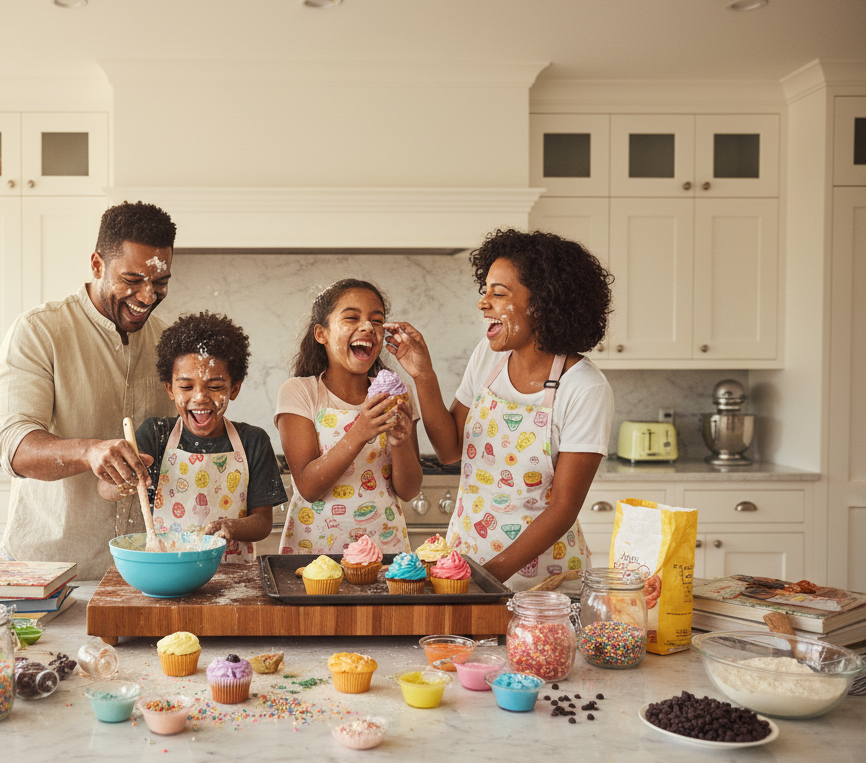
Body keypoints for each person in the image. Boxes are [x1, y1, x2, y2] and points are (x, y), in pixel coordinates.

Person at [383, 228, 614, 590]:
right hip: (465, 563)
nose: (483, 302)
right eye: (485, 290)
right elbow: (449, 450)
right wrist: (423, 374)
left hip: (543, 584)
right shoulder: (488, 358)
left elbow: (563, 509)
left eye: (499, 293)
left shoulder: (584, 387)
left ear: (541, 304)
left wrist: (489, 576)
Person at [0, 201, 178, 579]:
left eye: (159, 283)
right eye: (131, 280)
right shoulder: (39, 331)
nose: (146, 297)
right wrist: (88, 451)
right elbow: (15, 447)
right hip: (49, 570)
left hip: (144, 567)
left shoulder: (167, 341)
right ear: (97, 265)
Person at [98, 312, 288, 562]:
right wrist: (123, 481)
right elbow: (106, 489)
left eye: (215, 386)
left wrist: (231, 527)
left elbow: (263, 523)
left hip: (233, 577)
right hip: (170, 571)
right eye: (186, 387)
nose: (199, 397)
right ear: (170, 389)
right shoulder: (156, 435)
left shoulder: (253, 440)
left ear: (235, 388)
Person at [275, 279, 422, 555]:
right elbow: (308, 487)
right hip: (315, 555)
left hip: (384, 551)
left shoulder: (398, 394)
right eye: (352, 317)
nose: (367, 327)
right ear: (322, 334)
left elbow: (409, 490)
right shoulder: (300, 392)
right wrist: (360, 431)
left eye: (376, 321)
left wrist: (401, 442)